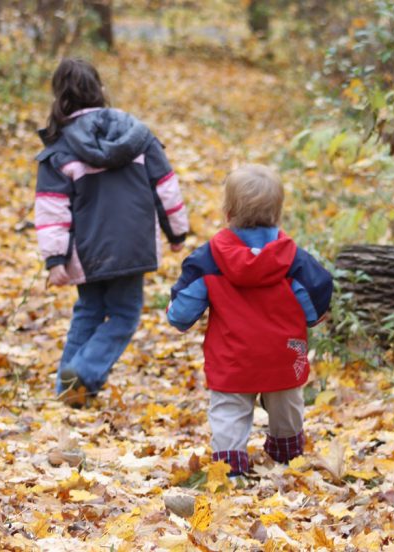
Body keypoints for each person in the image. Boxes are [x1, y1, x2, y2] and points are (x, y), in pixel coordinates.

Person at [34, 58, 189, 407]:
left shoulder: (60, 150)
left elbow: (51, 209)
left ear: (61, 98)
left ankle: (68, 388)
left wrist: (55, 258)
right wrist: (177, 232)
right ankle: (84, 374)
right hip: (132, 247)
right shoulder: (137, 137)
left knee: (88, 310)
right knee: (123, 314)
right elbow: (166, 187)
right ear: (100, 90)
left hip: (88, 252)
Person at [167, 164, 332, 475]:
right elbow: (315, 303)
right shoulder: (293, 259)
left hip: (232, 357)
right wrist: (313, 317)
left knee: (229, 411)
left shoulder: (209, 260)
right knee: (287, 405)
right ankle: (287, 458)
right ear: (278, 214)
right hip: (283, 354)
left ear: (228, 212)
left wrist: (176, 316)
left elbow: (182, 312)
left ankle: (230, 468)